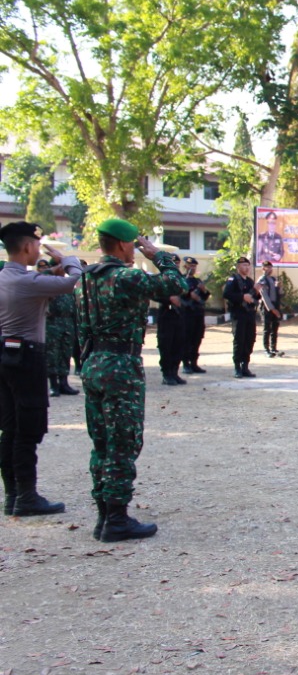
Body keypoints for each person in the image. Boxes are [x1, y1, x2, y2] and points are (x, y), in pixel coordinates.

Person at [79, 218, 182, 541]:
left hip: (93, 361)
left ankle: (103, 515)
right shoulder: (126, 277)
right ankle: (117, 519)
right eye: (135, 244)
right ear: (125, 245)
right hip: (121, 365)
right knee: (123, 443)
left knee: (102, 443)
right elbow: (176, 285)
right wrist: (157, 255)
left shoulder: (84, 279)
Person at [1, 222, 83, 518]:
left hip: (6, 354)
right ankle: (27, 497)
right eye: (36, 245)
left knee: (9, 428)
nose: (38, 249)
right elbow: (74, 279)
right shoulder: (27, 282)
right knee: (28, 429)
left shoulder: (6, 278)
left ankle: (12, 495)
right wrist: (66, 259)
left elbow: (36, 281)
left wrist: (50, 271)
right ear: (26, 247)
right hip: (28, 357)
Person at [39, 258, 79, 397]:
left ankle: (64, 383)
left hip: (67, 323)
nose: (62, 271)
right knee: (52, 355)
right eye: (60, 268)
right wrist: (51, 271)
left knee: (65, 354)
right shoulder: (48, 285)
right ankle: (53, 385)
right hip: (52, 324)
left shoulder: (68, 287)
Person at [222, 257, 259, 378]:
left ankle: (245, 366)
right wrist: (242, 297)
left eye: (248, 265)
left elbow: (254, 299)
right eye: (243, 265)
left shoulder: (249, 281)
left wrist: (256, 293)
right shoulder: (233, 280)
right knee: (239, 339)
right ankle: (237, 367)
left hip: (249, 313)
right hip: (238, 313)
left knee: (250, 339)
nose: (246, 268)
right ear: (238, 267)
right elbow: (227, 294)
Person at [154, 258, 188, 386]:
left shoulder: (181, 279)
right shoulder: (162, 278)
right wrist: (169, 299)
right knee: (166, 345)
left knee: (178, 344)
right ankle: (166, 374)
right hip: (166, 316)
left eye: (177, 264)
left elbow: (187, 293)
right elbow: (154, 294)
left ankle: (175, 372)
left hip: (179, 316)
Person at [180, 258, 209, 374]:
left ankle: (194, 363)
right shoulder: (182, 280)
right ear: (185, 266)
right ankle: (186, 364)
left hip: (198, 314)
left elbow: (205, 297)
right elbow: (179, 295)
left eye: (194, 266)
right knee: (187, 339)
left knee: (197, 339)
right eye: (190, 265)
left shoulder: (198, 281)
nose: (192, 268)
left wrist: (204, 290)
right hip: (187, 314)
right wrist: (189, 295)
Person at [256, 261, 283, 357]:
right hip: (267, 307)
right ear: (263, 268)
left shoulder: (272, 279)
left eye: (271, 267)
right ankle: (266, 349)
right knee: (267, 328)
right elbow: (264, 296)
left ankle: (273, 347)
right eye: (267, 267)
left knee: (275, 327)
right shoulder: (262, 280)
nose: (270, 269)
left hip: (275, 305)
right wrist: (272, 309)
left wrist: (279, 287)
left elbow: (279, 294)